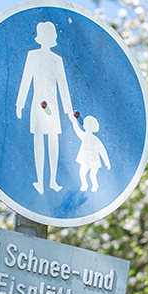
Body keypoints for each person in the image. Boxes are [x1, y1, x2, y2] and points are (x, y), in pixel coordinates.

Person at [15, 21, 73, 194]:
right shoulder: (32, 56)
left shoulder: (57, 59)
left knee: (53, 143)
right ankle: (40, 182)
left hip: (53, 106)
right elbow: (25, 81)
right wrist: (20, 104)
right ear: (40, 38)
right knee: (39, 143)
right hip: (37, 105)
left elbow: (63, 86)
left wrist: (68, 110)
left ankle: (53, 181)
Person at [71, 112, 110, 192]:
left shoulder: (95, 139)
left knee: (92, 175)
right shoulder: (84, 135)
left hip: (94, 160)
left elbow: (102, 151)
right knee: (82, 173)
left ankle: (95, 185)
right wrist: (74, 121)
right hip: (86, 159)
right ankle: (84, 184)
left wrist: (107, 162)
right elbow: (77, 130)